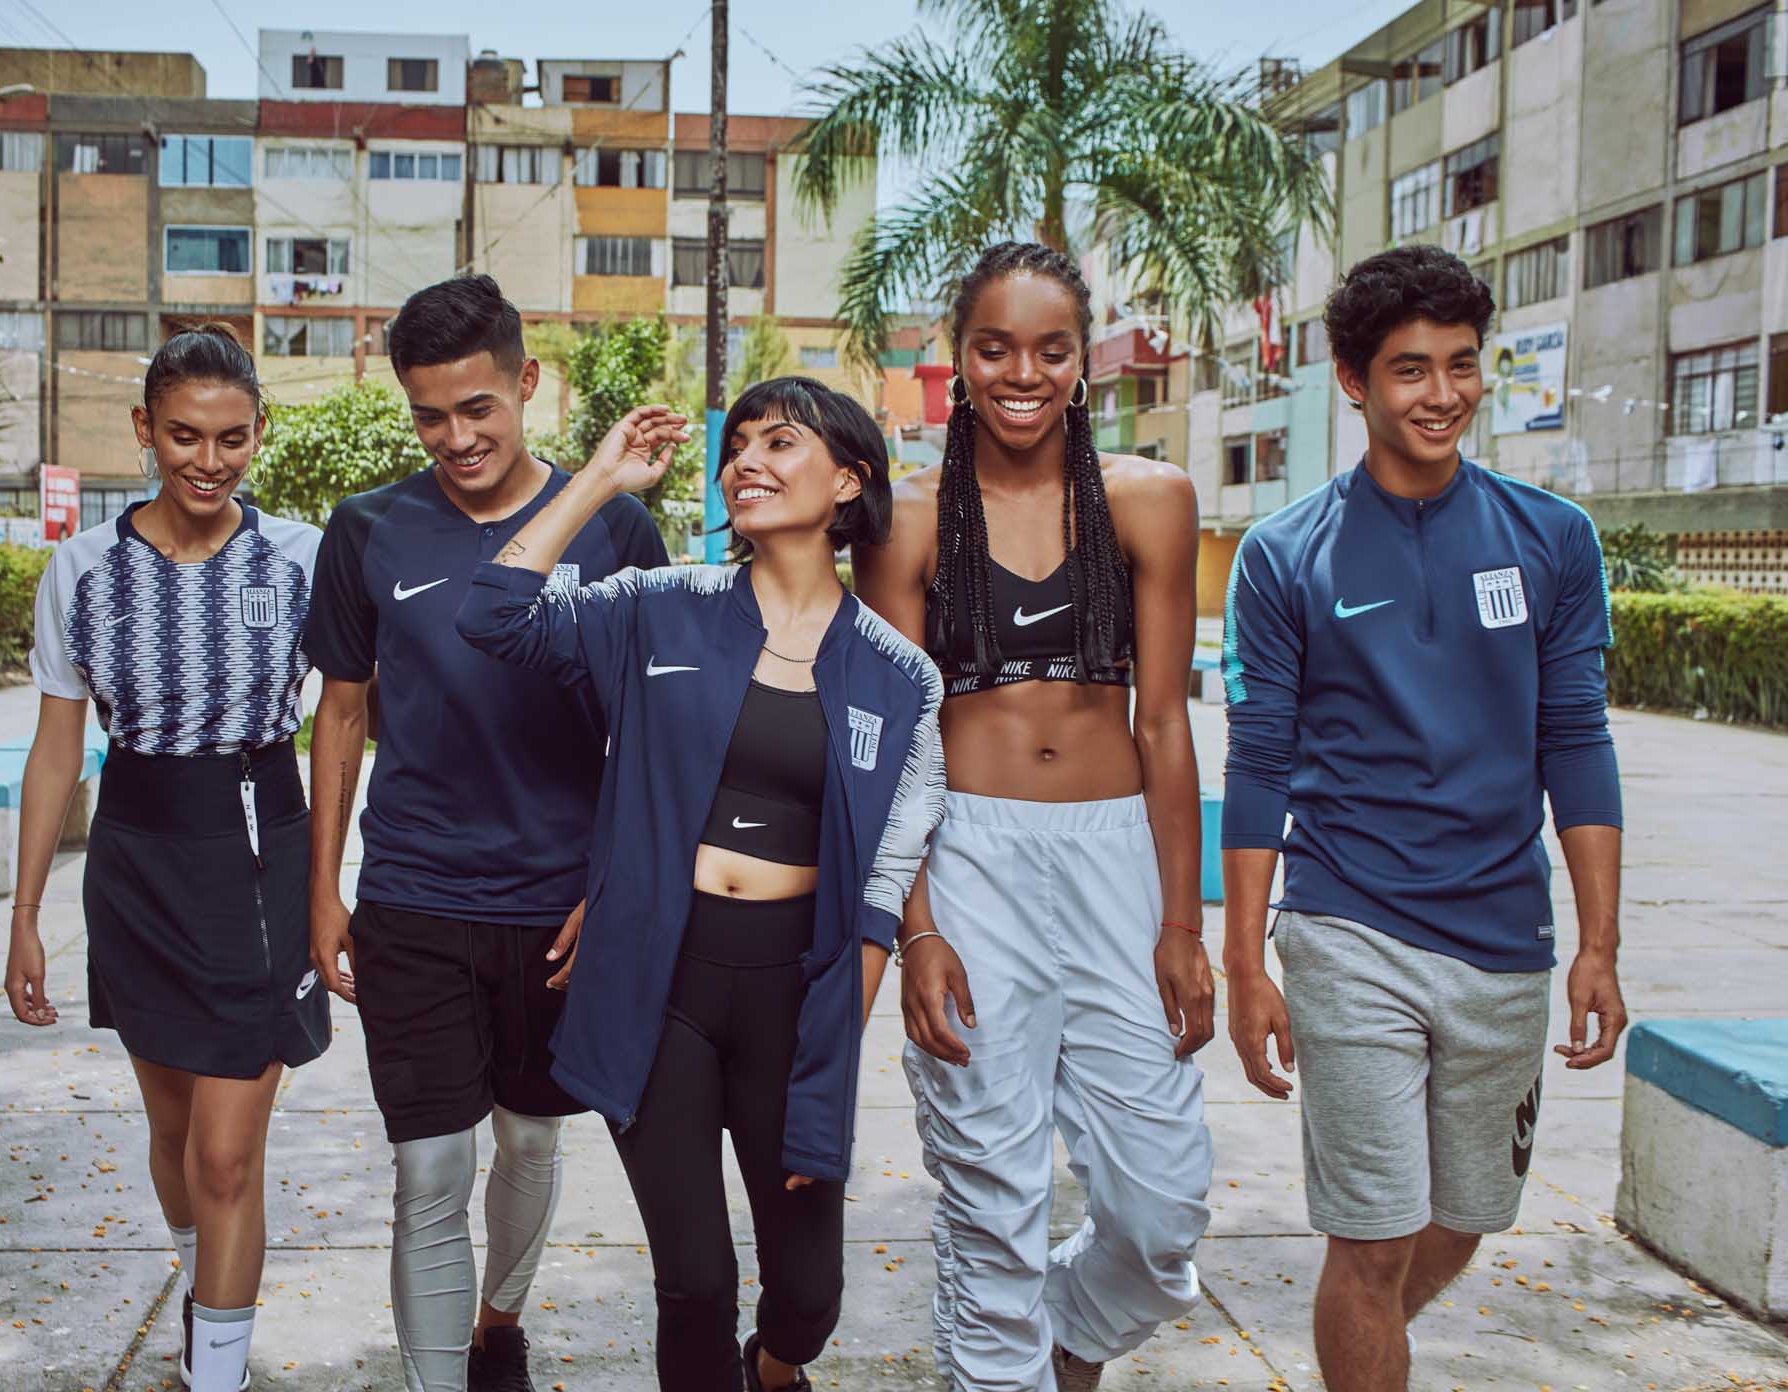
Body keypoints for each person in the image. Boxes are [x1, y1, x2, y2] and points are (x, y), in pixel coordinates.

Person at [454, 377, 946, 1392]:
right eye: (738, 447)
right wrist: (598, 479)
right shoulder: (658, 605)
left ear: (848, 480)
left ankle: (774, 1369)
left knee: (808, 1298)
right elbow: (494, 616)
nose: (747, 463)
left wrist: (828, 1064)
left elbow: (882, 890)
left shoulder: (902, 677)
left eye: (781, 442)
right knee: (695, 1283)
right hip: (658, 984)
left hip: (794, 996)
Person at [1221, 245, 1628, 1392]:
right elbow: (1258, 762)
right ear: (1354, 381)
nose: (1442, 393)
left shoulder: (1553, 538)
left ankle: (1360, 1346)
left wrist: (1598, 944)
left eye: (1461, 364)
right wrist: (1245, 962)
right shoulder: (1283, 556)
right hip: (1348, 925)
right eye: (1411, 369)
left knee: (1461, 1221)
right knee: (1371, 1241)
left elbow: (1576, 742)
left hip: (1504, 938)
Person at [854, 241, 1215, 1392]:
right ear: (958, 357)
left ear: (1083, 359)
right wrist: (915, 927)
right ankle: (999, 1363)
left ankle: (1068, 1327)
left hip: (1115, 857)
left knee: (1163, 1212)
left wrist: (1182, 924)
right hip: (968, 857)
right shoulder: (906, 521)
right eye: (995, 348)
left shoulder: (1150, 502)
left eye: (1051, 350)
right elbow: (893, 747)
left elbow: (1166, 724)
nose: (1023, 374)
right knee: (991, 1203)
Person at [301, 275, 669, 1392]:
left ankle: (498, 1323)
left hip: (558, 904)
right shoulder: (367, 528)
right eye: (429, 415)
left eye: (478, 408)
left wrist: (616, 884)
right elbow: (342, 713)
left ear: (527, 383)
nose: (456, 437)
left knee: (530, 1139)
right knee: (427, 1170)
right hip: (413, 896)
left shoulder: (616, 526)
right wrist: (325, 888)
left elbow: (654, 725)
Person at [5, 323, 329, 1392]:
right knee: (175, 1127)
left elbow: (349, 719)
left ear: (260, 433)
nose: (209, 460)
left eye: (233, 438)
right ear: (144, 429)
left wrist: (331, 885)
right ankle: (207, 1299)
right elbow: (58, 753)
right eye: (186, 435)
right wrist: (24, 918)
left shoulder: (301, 557)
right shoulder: (82, 568)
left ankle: (215, 1373)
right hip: (136, 858)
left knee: (227, 1153)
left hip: (258, 849)